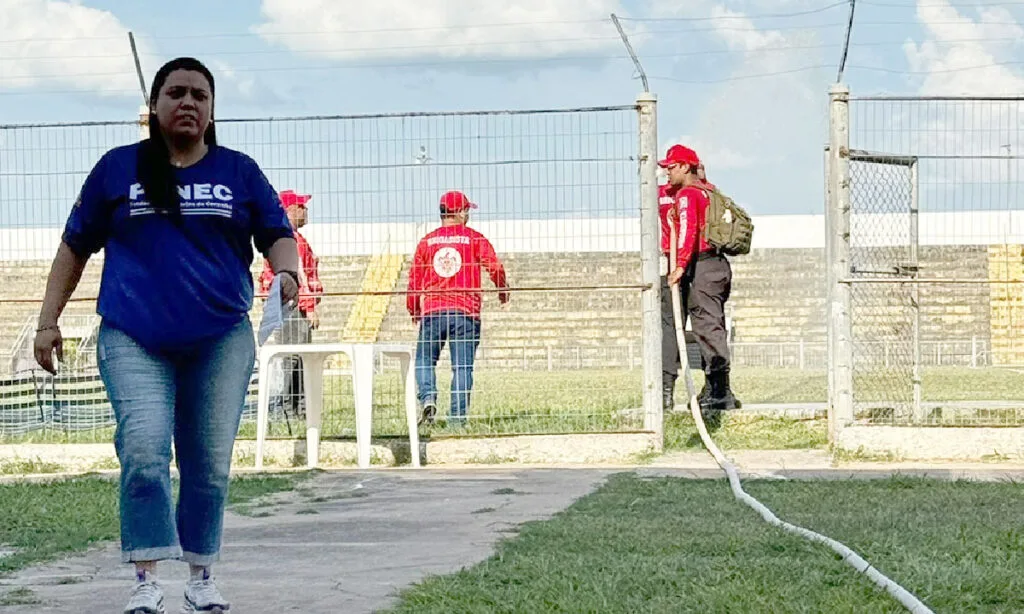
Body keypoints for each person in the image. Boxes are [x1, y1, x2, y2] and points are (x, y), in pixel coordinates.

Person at [32, 57, 299, 614]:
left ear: (212, 110)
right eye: (176, 93)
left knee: (207, 461)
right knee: (145, 450)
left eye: (200, 95)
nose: (189, 103)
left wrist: (288, 271)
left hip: (220, 338)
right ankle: (146, 580)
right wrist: (48, 321)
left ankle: (201, 575)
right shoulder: (116, 170)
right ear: (153, 108)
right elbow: (74, 247)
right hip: (135, 337)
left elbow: (276, 232)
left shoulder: (239, 171)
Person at [407, 190, 508, 428]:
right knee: (462, 367)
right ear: (460, 212)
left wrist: (414, 309)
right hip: (465, 312)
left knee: (424, 360)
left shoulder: (426, 241)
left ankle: (428, 397)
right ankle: (457, 420)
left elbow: (414, 280)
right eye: (467, 211)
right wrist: (502, 290)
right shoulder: (474, 238)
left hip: (433, 310)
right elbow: (495, 266)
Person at [258, 189, 323, 420]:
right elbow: (299, 277)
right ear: (290, 210)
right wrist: (309, 306)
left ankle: (292, 408)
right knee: (294, 358)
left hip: (285, 303)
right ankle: (289, 408)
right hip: (292, 305)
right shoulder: (292, 240)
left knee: (293, 357)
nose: (306, 211)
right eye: (302, 206)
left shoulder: (284, 237)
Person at [657, 145, 706, 415]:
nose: (666, 172)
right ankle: (666, 391)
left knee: (703, 323)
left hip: (694, 262)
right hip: (672, 260)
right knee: (670, 327)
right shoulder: (663, 194)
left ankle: (713, 386)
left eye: (671, 167)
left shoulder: (692, 192)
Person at [692, 162, 742, 411]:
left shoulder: (691, 195)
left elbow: (690, 232)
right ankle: (716, 387)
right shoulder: (710, 193)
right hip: (718, 265)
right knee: (713, 326)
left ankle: (719, 390)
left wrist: (679, 266)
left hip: (704, 263)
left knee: (709, 327)